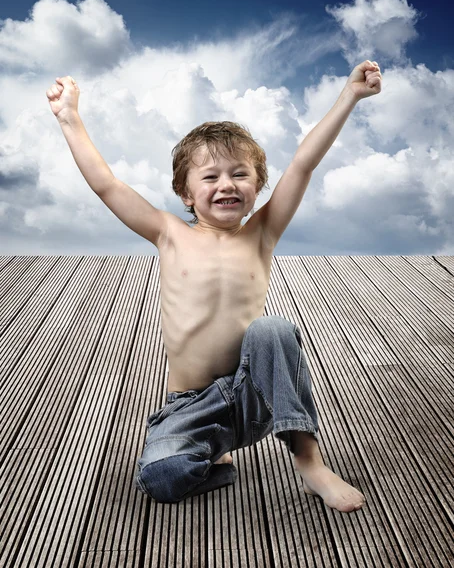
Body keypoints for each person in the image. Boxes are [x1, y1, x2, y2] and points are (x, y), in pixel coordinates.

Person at [46, 60, 382, 512]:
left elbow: (303, 163)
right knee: (161, 478)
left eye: (240, 174)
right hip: (190, 407)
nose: (227, 184)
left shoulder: (261, 232)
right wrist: (70, 118)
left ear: (259, 185)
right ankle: (211, 456)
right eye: (210, 177)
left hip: (252, 394)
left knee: (273, 329)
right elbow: (106, 185)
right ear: (186, 193)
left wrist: (350, 96)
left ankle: (309, 461)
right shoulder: (168, 232)